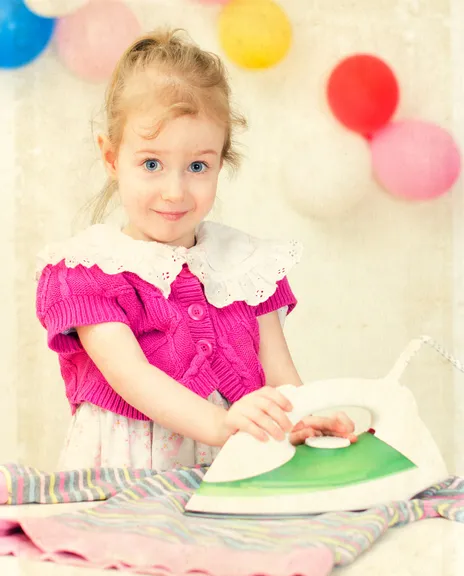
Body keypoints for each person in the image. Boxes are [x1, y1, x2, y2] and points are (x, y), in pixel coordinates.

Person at [35, 29, 356, 471]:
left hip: (232, 464)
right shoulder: (88, 272)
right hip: (128, 473)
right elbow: (134, 378)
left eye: (197, 166)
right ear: (111, 158)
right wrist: (223, 425)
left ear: (221, 161)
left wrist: (305, 420)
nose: (175, 191)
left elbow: (282, 378)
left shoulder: (247, 266)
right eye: (151, 163)